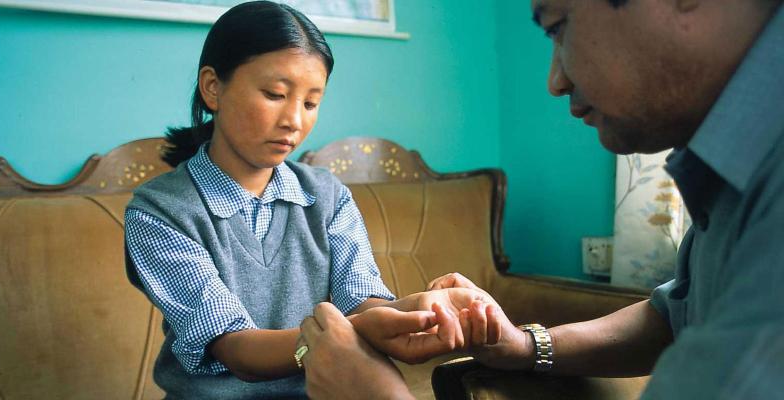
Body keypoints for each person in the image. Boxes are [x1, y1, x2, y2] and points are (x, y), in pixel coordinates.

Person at [298, 0, 784, 398]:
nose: (556, 80)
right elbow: (674, 315)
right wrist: (526, 344)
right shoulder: (734, 173)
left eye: (558, 27)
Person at [123, 2, 495, 398]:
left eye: (311, 103)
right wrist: (358, 330)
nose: (294, 121)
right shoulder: (160, 212)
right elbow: (237, 349)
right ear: (213, 87)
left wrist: (424, 307)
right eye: (275, 94)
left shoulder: (328, 195)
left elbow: (361, 301)